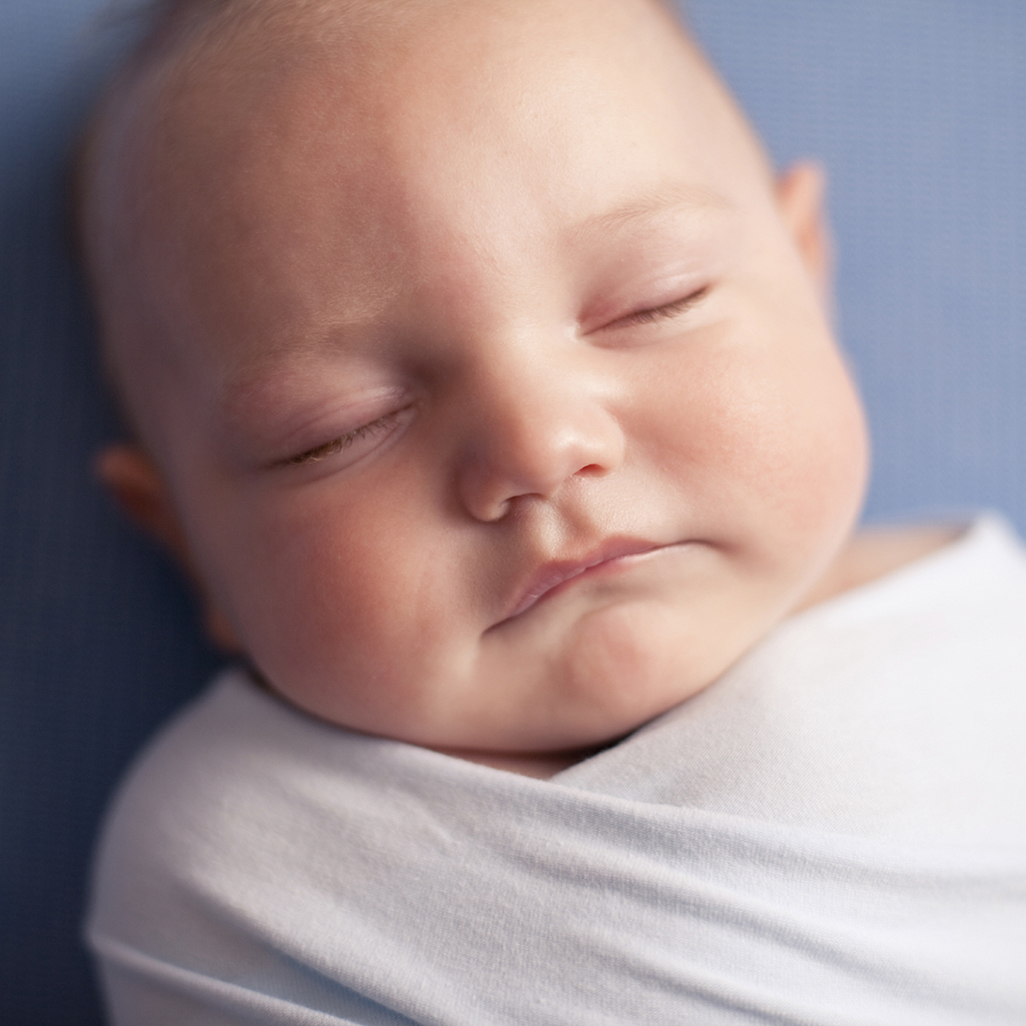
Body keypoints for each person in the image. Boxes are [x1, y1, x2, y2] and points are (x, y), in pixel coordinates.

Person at [79, 0, 1026, 1021]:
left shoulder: (986, 650)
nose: (540, 449)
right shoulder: (235, 865)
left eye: (654, 301)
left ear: (808, 274)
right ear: (187, 540)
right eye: (340, 428)